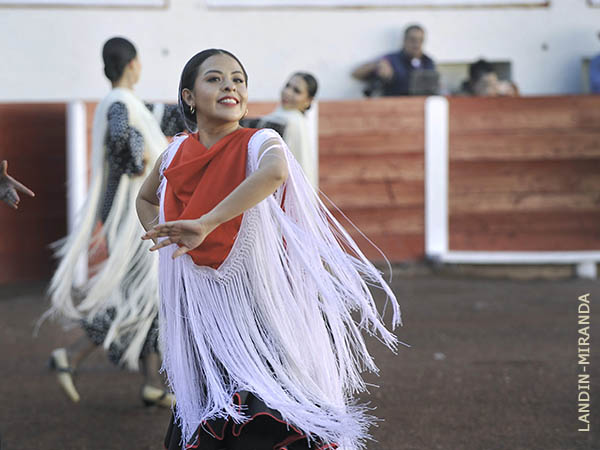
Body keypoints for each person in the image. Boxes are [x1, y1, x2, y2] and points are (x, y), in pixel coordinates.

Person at [137, 49, 407, 450]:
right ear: (189, 96)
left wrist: (206, 222)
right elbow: (145, 199)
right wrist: (163, 235)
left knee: (266, 422)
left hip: (261, 316)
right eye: (214, 78)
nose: (230, 84)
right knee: (214, 413)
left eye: (238, 79)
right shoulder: (175, 151)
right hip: (203, 316)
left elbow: (275, 171)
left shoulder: (261, 140)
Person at [42, 37, 184, 407]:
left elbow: (170, 116)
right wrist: (136, 156)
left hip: (127, 215)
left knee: (148, 295)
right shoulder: (120, 103)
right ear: (133, 63)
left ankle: (153, 384)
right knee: (142, 295)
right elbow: (123, 135)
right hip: (132, 215)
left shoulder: (127, 102)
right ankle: (70, 355)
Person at [256, 72, 319, 189]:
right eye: (287, 86)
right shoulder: (281, 116)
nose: (288, 92)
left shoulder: (291, 123)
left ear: (308, 100)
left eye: (296, 91)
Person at [352, 24, 436, 96]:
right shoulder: (391, 59)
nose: (416, 44)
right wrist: (377, 65)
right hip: (392, 107)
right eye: (413, 40)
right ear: (404, 40)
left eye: (420, 40)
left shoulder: (428, 62)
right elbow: (356, 73)